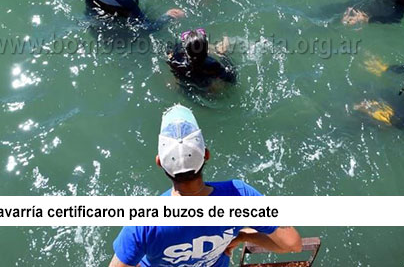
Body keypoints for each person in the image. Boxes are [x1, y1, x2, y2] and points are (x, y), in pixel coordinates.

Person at [109, 105, 302, 267]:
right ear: (206, 155)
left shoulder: (144, 223)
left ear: (159, 162)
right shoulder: (240, 195)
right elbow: (292, 244)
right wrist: (244, 236)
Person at [167, 29, 236, 88]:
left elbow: (170, 56)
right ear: (206, 51)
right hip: (205, 85)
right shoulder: (213, 64)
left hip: (185, 81)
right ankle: (219, 49)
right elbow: (231, 78)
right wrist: (223, 56)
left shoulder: (177, 57)